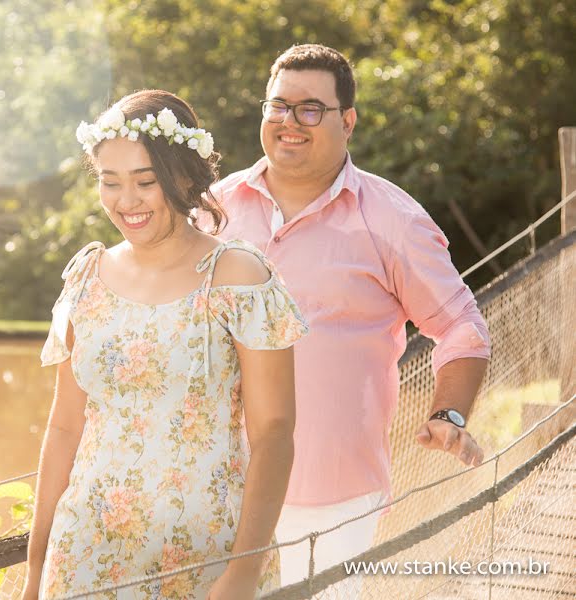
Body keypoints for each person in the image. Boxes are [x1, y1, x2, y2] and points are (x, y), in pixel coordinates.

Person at [202, 44, 492, 595]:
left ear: (348, 121)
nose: (290, 122)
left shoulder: (392, 221)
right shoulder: (213, 209)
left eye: (311, 109)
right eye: (279, 106)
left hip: (329, 493)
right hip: (218, 482)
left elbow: (462, 326)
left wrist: (449, 413)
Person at [21, 89, 310, 600]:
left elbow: (274, 434)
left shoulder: (237, 277)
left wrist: (242, 574)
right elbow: (64, 428)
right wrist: (35, 574)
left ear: (183, 177)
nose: (125, 201)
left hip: (207, 559)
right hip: (86, 556)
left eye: (144, 181)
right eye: (110, 182)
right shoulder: (85, 278)